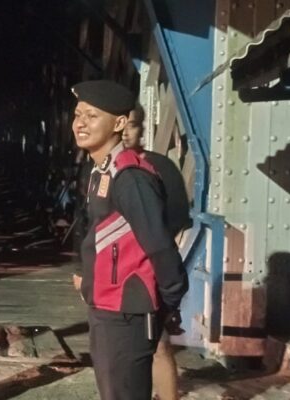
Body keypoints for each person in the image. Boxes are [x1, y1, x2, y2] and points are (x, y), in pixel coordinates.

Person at [71, 80, 188, 400]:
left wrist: (169, 301)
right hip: (107, 305)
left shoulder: (130, 177)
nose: (80, 123)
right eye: (78, 114)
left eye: (92, 116)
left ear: (119, 123)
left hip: (127, 310)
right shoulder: (102, 171)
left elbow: (160, 245)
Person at [123, 103, 191, 400]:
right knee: (118, 349)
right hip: (113, 276)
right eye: (121, 124)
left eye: (133, 125)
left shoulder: (160, 167)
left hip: (148, 270)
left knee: (159, 344)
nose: (126, 132)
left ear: (142, 128)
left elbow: (177, 218)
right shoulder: (99, 169)